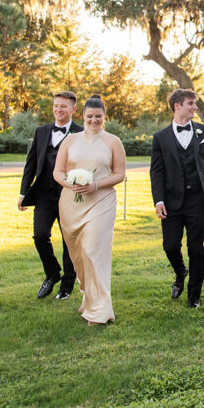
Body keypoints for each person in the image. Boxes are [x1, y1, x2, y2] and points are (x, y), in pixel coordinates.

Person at [54, 95, 126, 325]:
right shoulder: (70, 141)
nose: (94, 120)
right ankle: (87, 292)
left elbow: (119, 174)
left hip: (101, 202)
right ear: (82, 116)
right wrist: (71, 184)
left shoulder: (113, 142)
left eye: (98, 116)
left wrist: (94, 185)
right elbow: (58, 171)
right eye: (90, 116)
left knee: (95, 250)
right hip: (71, 204)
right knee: (79, 254)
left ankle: (99, 311)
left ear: (105, 117)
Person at [150, 89, 204, 309]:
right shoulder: (160, 138)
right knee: (170, 246)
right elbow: (156, 172)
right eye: (191, 103)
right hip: (171, 202)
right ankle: (180, 272)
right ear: (177, 105)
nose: (195, 107)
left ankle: (194, 296)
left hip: (198, 200)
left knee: (196, 248)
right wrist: (158, 200)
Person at [18, 91, 82, 301]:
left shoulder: (81, 133)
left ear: (73, 109)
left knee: (68, 241)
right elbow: (31, 164)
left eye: (63, 106)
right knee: (39, 235)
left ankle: (67, 285)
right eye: (55, 105)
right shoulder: (42, 131)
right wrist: (23, 192)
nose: (58, 109)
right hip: (44, 195)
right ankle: (52, 274)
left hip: (70, 196)